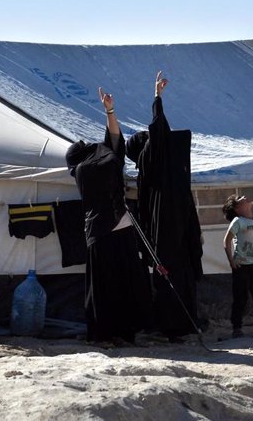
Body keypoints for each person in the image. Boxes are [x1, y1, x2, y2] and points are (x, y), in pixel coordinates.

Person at [65, 87, 152, 344]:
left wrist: (110, 111)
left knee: (119, 282)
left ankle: (120, 331)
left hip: (110, 228)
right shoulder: (88, 166)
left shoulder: (94, 162)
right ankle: (109, 332)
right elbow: (114, 141)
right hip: (106, 229)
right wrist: (110, 112)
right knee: (110, 284)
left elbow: (114, 139)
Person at [126, 71, 204, 342]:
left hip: (167, 227)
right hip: (173, 223)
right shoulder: (152, 159)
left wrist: (158, 97)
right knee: (175, 271)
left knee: (174, 272)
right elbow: (158, 131)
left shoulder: (153, 166)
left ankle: (177, 324)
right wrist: (156, 98)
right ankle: (177, 325)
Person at [222, 194, 253, 338]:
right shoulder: (238, 221)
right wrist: (231, 260)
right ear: (237, 208)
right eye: (240, 198)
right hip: (241, 266)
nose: (245, 197)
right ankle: (237, 328)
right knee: (240, 297)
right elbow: (227, 240)